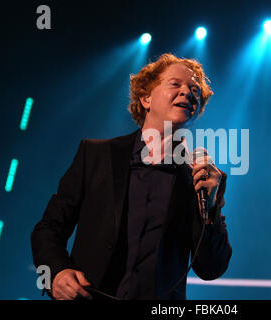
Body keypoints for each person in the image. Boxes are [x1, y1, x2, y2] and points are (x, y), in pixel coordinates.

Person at [31, 53, 232, 300]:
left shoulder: (199, 178)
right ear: (146, 98)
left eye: (195, 90)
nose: (188, 93)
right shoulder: (96, 155)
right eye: (175, 84)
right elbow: (48, 228)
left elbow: (211, 268)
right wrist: (56, 273)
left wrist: (210, 208)